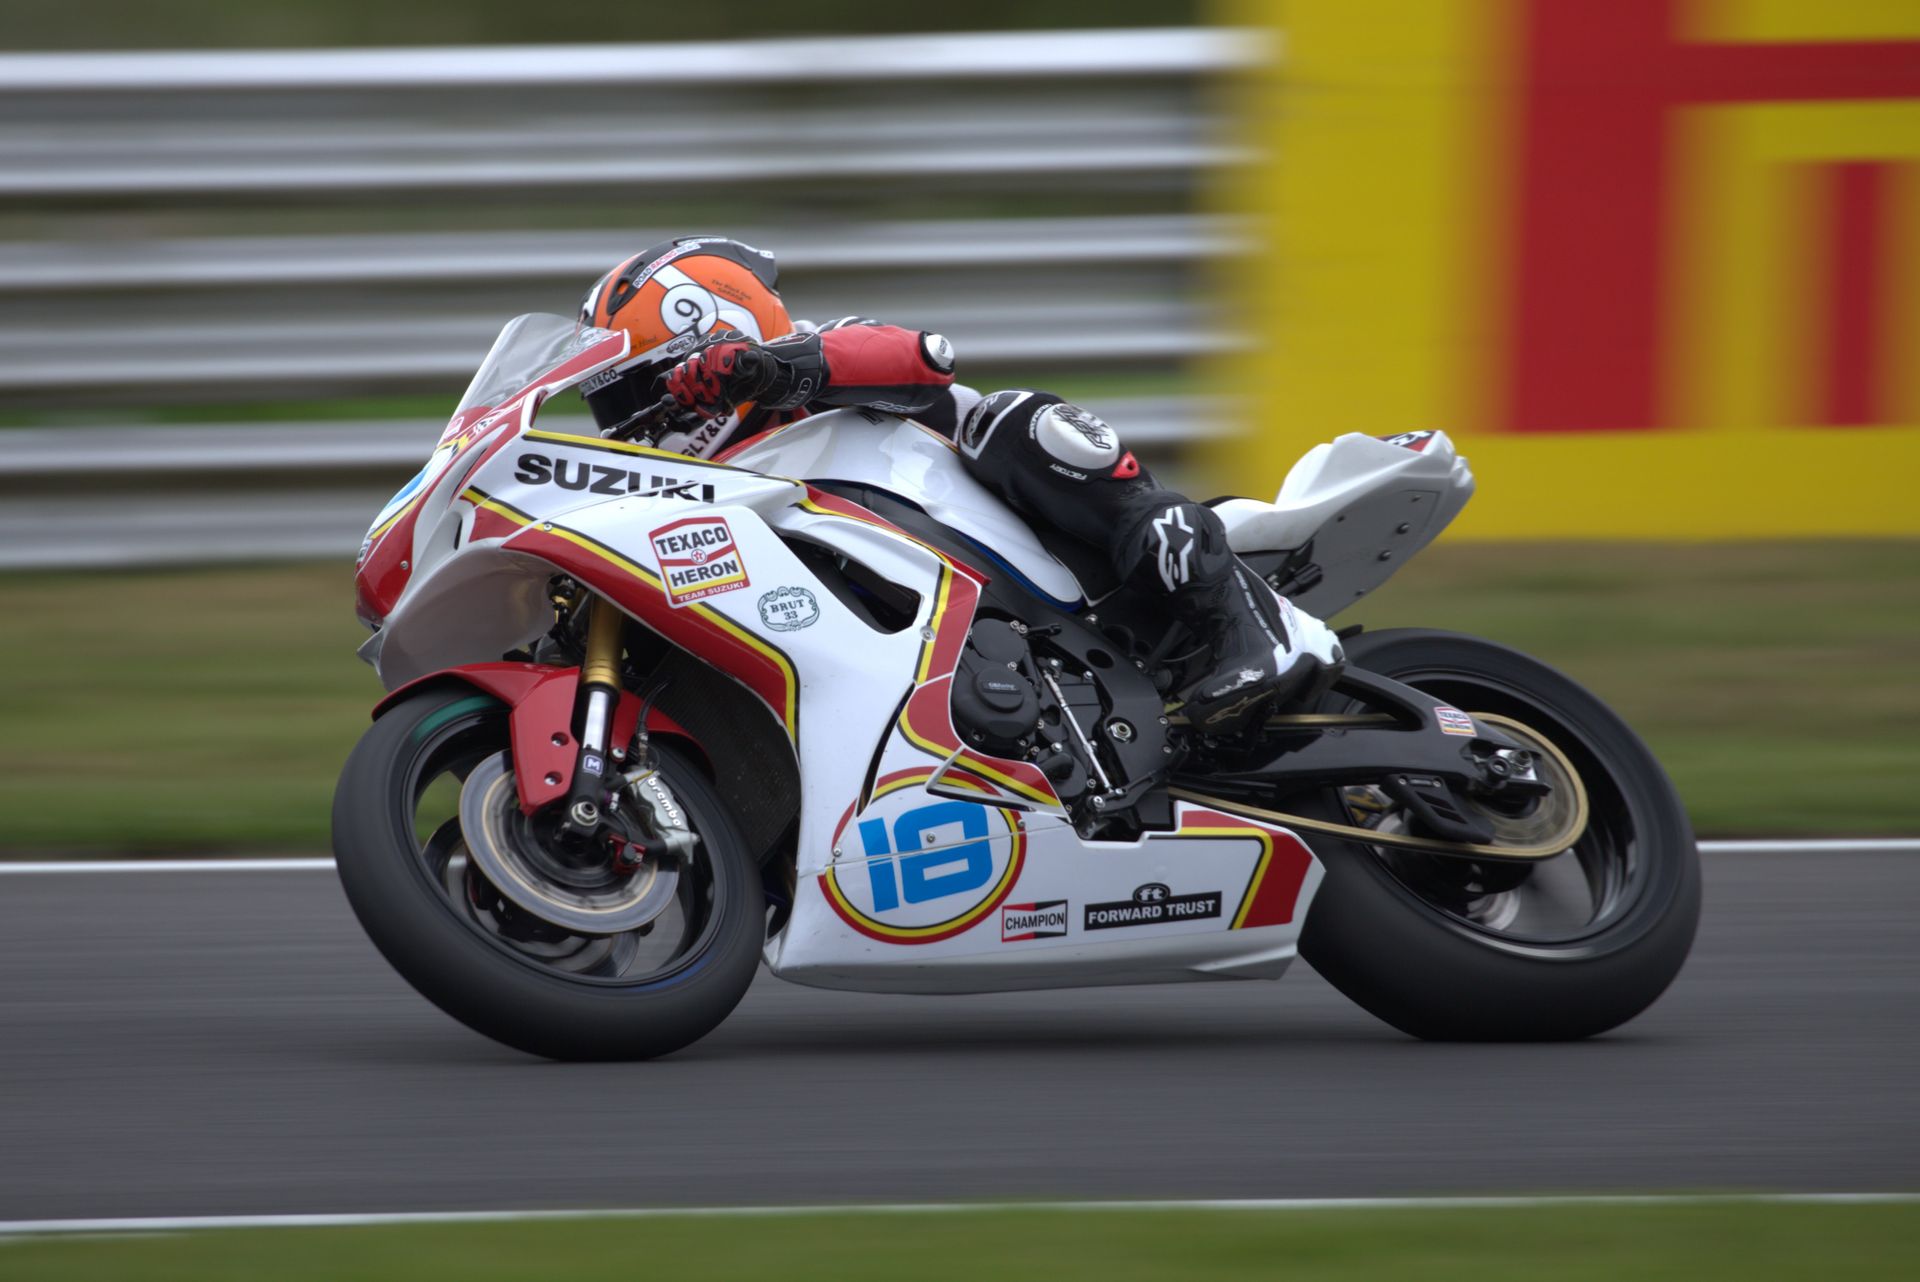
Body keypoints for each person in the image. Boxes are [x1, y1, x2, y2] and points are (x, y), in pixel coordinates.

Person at [576, 235, 1340, 732]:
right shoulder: (703, 496)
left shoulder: (816, 363)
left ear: (718, 340)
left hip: (1062, 565)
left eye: (633, 394)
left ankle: (1248, 624)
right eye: (606, 404)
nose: (626, 423)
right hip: (960, 664)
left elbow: (925, 357)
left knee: (1011, 422)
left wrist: (777, 370)